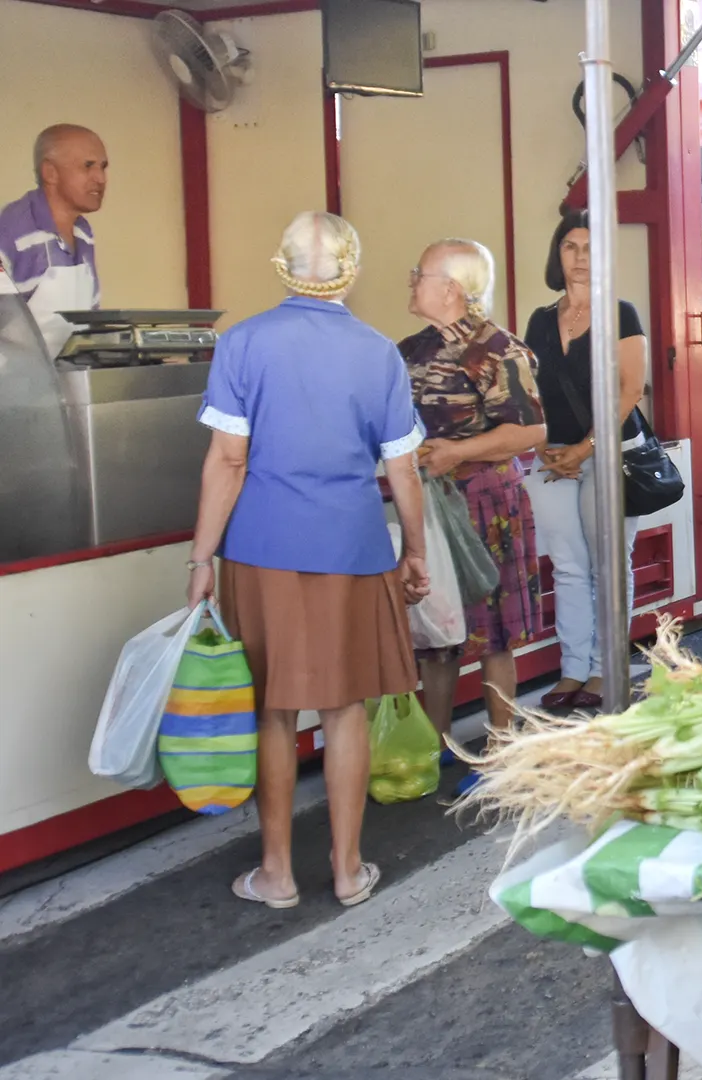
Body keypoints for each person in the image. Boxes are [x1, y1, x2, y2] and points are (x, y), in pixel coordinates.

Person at [187, 211, 429, 909]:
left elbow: (228, 461)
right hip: (352, 547)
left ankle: (277, 873)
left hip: (261, 548)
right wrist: (415, 550)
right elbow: (403, 470)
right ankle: (348, 871)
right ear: (351, 271)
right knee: (344, 707)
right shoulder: (380, 353)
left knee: (273, 710)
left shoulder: (241, 343)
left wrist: (201, 558)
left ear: (281, 268)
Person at [397, 239, 546, 791]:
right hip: (429, 503)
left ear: (451, 288)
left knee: (494, 633)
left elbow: (532, 431)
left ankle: (501, 753)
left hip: (486, 501)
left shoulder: (497, 349)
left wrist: (457, 452)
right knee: (434, 631)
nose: (411, 280)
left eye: (419, 273)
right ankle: (434, 744)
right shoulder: (409, 350)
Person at [522, 210, 650, 713]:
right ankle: (573, 668)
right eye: (570, 246)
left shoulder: (621, 313)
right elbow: (530, 391)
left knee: (608, 565)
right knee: (567, 568)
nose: (579, 257)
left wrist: (583, 448)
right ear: (558, 255)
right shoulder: (539, 320)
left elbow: (630, 390)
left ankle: (606, 666)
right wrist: (543, 447)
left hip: (610, 452)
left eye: (589, 248)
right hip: (552, 455)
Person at [0, 125, 107, 357]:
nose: (100, 178)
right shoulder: (10, 231)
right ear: (50, 173)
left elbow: (90, 322)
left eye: (103, 167)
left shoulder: (83, 233)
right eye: (88, 166)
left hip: (69, 375)